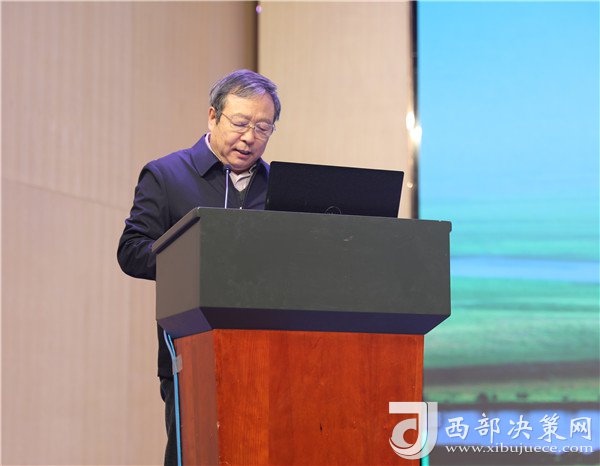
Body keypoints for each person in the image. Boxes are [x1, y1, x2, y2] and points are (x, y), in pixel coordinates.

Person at [117, 69, 281, 465]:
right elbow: (131, 251)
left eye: (263, 127)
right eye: (240, 123)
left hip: (268, 354)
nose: (250, 137)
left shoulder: (278, 187)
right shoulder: (166, 175)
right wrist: (199, 255)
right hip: (189, 353)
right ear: (212, 117)